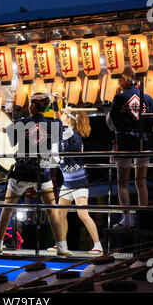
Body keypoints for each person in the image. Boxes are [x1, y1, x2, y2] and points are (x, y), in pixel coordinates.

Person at [0, 93, 68, 255]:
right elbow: (60, 122)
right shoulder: (52, 124)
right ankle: (62, 247)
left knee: (7, 209)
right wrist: (55, 105)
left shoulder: (22, 123)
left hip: (22, 172)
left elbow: (5, 129)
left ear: (32, 106)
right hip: (42, 173)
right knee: (51, 210)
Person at [106, 73, 153, 228]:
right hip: (144, 142)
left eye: (119, 80)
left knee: (123, 183)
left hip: (125, 142)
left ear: (125, 81)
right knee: (141, 182)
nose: (118, 84)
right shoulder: (148, 97)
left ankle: (127, 218)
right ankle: (142, 218)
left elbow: (112, 123)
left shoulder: (119, 98)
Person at [47, 106, 103, 255]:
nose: (62, 117)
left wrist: (62, 111)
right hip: (67, 181)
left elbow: (60, 123)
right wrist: (55, 103)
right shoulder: (64, 133)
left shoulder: (73, 134)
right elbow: (57, 120)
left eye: (66, 115)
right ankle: (61, 244)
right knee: (60, 214)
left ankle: (98, 245)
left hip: (79, 181)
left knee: (83, 214)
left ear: (70, 119)